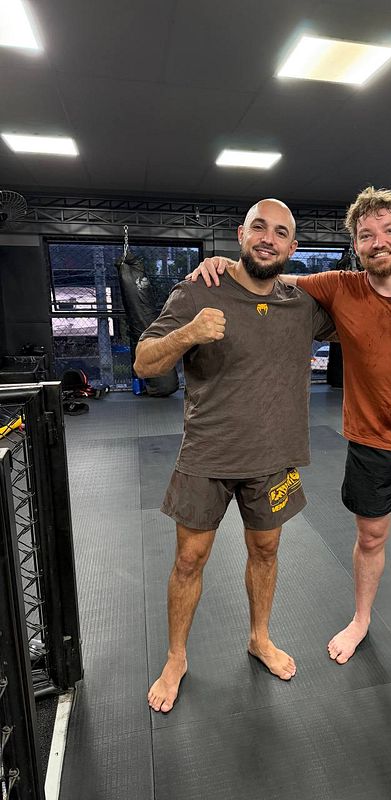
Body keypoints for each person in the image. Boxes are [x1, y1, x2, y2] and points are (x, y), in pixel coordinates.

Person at [190, 186, 391, 681]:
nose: (378, 241)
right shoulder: (340, 287)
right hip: (369, 444)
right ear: (357, 245)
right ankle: (361, 619)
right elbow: (270, 276)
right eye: (367, 235)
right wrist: (219, 265)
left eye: (389, 231)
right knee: (369, 538)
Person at [134, 198, 336, 712]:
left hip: (274, 459)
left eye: (281, 232)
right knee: (188, 559)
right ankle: (177, 657)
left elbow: (368, 298)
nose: (269, 238)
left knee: (266, 551)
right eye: (259, 228)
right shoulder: (199, 288)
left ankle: (259, 637)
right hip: (206, 454)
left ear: (293, 246)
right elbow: (143, 363)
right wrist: (188, 333)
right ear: (240, 236)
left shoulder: (302, 304)